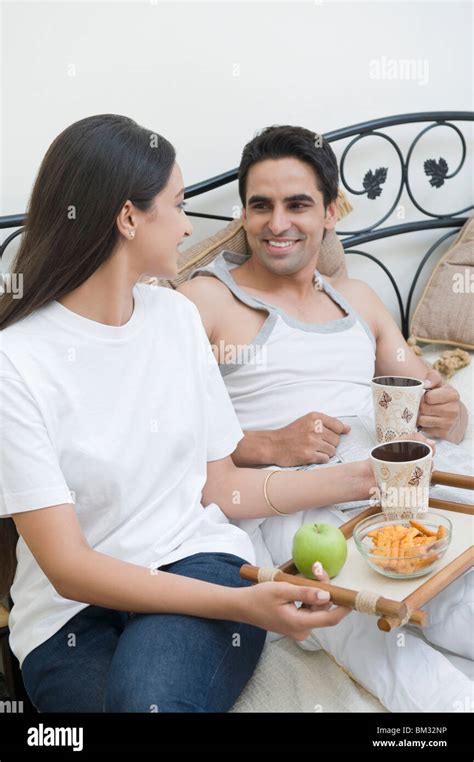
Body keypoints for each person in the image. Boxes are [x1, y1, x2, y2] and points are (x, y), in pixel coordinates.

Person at [0, 114, 388, 714]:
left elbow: (220, 486)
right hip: (70, 615)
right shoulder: (16, 360)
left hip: (197, 564)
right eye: (179, 205)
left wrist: (353, 480)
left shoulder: (174, 320)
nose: (188, 226)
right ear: (129, 218)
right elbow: (70, 568)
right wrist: (247, 606)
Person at [178, 125, 473, 712]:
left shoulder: (358, 299)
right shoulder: (204, 303)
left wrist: (451, 409)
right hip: (296, 506)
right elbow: (172, 453)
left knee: (459, 607)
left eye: (298, 204)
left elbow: (436, 403)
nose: (277, 223)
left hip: (399, 485)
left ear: (332, 211)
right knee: (374, 635)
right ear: (243, 213)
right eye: (260, 206)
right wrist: (265, 444)